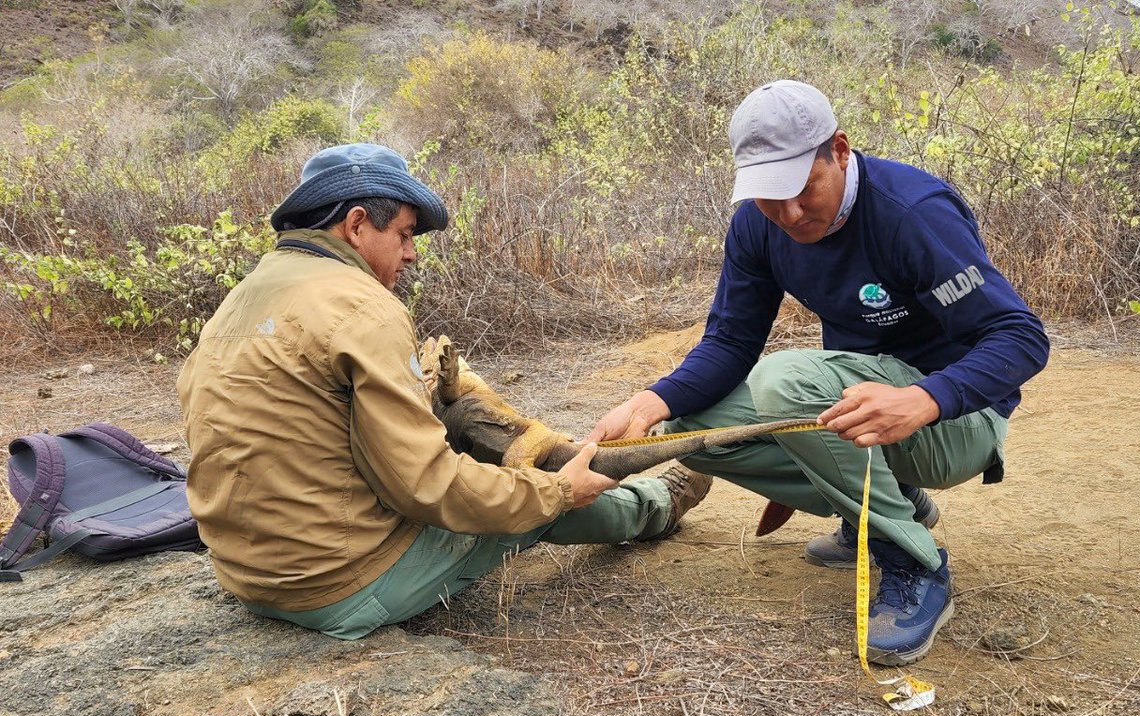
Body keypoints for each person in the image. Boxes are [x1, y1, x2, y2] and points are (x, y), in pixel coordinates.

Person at [589, 81, 1049, 666]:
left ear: (838, 150)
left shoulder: (910, 212)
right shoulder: (758, 228)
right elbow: (731, 340)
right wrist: (651, 401)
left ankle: (914, 563)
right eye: (767, 197)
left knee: (784, 381)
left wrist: (925, 398)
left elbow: (1021, 337)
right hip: (867, 414)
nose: (789, 214)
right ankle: (891, 501)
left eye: (802, 189)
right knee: (684, 427)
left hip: (959, 421)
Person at [177, 143, 711, 640]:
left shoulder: (243, 296)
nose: (411, 254)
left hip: (247, 576)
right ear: (358, 225)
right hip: (339, 586)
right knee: (541, 497)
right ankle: (655, 506)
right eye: (405, 235)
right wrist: (555, 492)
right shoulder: (364, 308)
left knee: (477, 451)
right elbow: (425, 485)